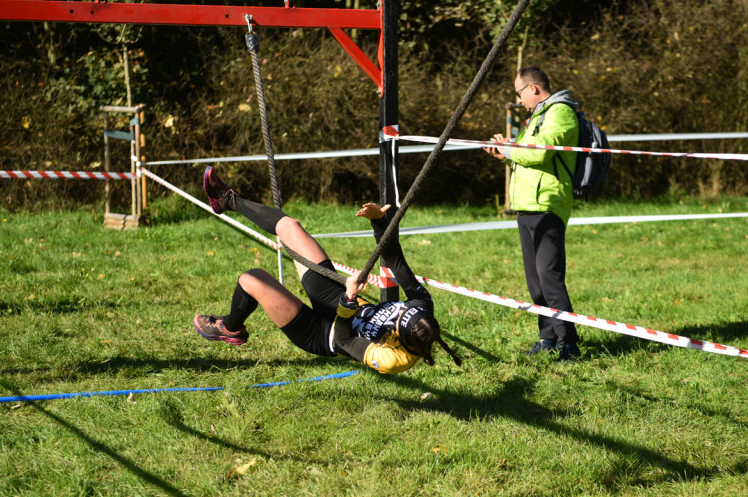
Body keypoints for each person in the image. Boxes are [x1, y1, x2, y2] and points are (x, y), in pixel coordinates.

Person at [193, 166, 460, 374]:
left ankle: (230, 328)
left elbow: (344, 340)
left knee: (251, 279)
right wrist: (379, 222)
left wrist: (349, 299)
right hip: (339, 300)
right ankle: (227, 201)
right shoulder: (422, 305)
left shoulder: (394, 360)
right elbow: (396, 260)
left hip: (322, 333)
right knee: (290, 227)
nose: (397, 314)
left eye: (396, 323)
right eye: (403, 311)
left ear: (401, 341)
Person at [484, 65, 581, 362]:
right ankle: (547, 337)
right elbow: (525, 158)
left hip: (548, 204)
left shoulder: (560, 113)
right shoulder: (535, 116)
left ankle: (569, 343)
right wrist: (505, 154)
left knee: (548, 275)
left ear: (534, 88)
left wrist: (512, 149)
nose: (518, 99)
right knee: (535, 281)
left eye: (519, 93)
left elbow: (540, 152)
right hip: (527, 205)